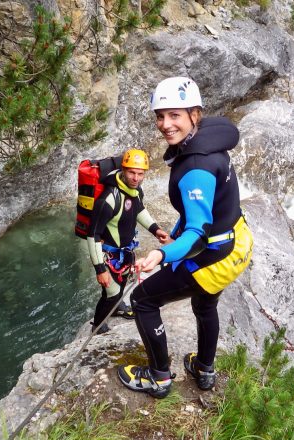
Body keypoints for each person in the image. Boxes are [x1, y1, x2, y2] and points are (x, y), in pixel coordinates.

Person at [117, 77, 254, 398]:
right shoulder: (212, 137)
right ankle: (205, 370)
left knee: (142, 300)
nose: (165, 124)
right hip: (237, 243)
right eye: (160, 116)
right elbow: (205, 212)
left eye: (174, 115)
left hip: (212, 257)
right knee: (205, 304)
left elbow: (197, 233)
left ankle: (159, 377)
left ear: (194, 114)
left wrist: (162, 255)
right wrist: (176, 233)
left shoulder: (194, 166)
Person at [85, 148, 170, 334]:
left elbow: (139, 210)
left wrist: (155, 230)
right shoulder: (108, 199)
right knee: (112, 292)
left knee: (121, 284)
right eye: (132, 172)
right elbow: (93, 236)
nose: (136, 178)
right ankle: (97, 326)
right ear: (123, 170)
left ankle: (116, 308)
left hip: (124, 252)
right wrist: (100, 270)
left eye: (140, 174)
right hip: (108, 255)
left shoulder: (135, 191)